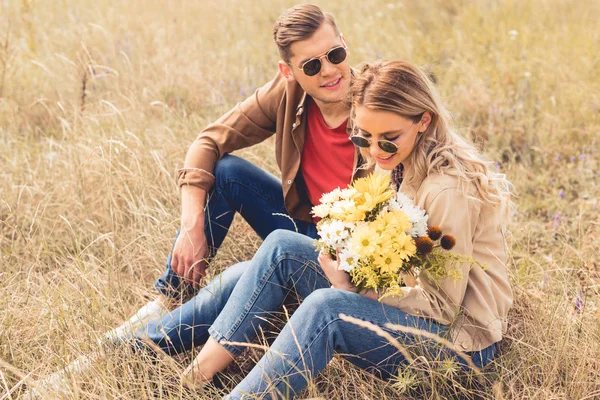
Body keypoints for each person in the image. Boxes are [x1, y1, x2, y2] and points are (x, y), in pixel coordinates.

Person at [150, 59, 512, 398]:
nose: (375, 152)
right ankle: (193, 375)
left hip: (459, 347)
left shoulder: (447, 190)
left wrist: (352, 288)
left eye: (388, 138)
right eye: (363, 138)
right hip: (403, 304)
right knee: (282, 247)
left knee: (327, 307)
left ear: (424, 120)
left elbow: (443, 307)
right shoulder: (395, 161)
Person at [109, 3, 365, 338]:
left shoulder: (378, 103)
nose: (330, 70)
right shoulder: (287, 92)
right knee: (227, 172)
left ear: (344, 43)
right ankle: (169, 298)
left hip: (356, 254)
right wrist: (191, 226)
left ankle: (139, 343)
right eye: (312, 65)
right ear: (288, 72)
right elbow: (208, 141)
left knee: (243, 277)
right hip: (307, 228)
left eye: (335, 53)